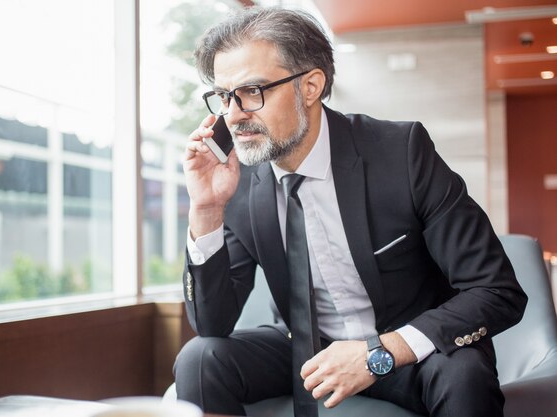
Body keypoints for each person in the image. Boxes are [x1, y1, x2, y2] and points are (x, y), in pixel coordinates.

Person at [174, 6, 527, 417]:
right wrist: (206, 208)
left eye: (253, 92)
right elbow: (212, 325)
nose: (233, 115)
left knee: (465, 374)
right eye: (224, 97)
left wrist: (380, 353)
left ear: (310, 86)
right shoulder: (237, 184)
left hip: (409, 349)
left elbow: (497, 291)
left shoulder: (401, 153)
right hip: (303, 348)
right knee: (200, 359)